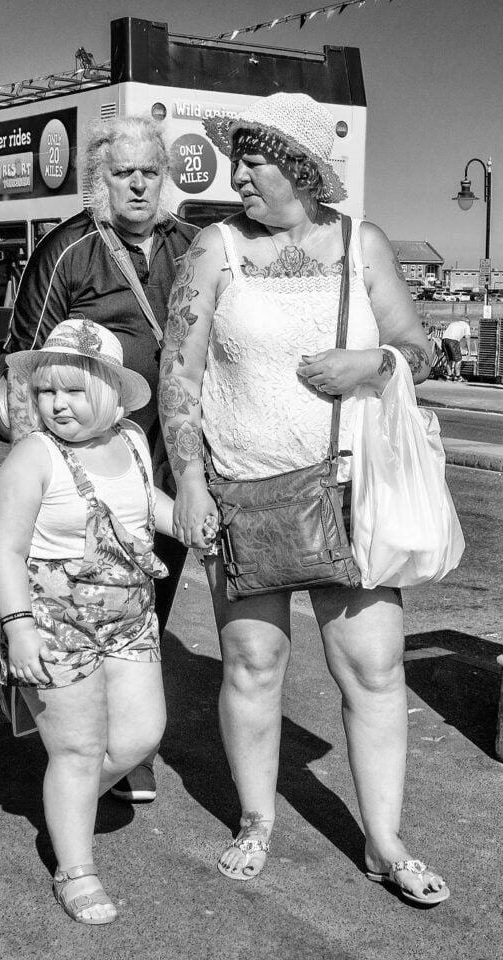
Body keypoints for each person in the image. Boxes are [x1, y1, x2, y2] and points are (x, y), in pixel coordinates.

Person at [158, 92, 450, 905]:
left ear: (299, 166)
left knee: (375, 668)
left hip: (350, 490)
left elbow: (417, 349)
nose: (238, 174)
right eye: (239, 159)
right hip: (241, 489)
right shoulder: (214, 248)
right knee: (253, 665)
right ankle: (255, 820)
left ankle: (384, 841)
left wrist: (376, 366)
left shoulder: (363, 244)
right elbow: (178, 374)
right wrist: (187, 478)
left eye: (252, 161)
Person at [5, 116, 199, 803]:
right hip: (84, 465)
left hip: (166, 463)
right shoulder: (68, 247)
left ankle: (123, 735)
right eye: (124, 172)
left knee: (147, 595)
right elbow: (20, 364)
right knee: (76, 592)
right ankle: (72, 734)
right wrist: (40, 464)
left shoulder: (193, 245)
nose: (139, 184)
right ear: (102, 179)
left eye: (151, 171)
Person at [0, 318, 175, 925]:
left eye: (73, 390)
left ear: (114, 394)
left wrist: (196, 522)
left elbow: (148, 505)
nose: (57, 404)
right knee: (78, 746)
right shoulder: (32, 456)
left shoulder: (134, 442)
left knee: (142, 733)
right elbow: (6, 551)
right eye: (47, 392)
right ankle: (76, 867)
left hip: (130, 615)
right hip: (53, 619)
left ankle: (67, 802)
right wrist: (18, 627)